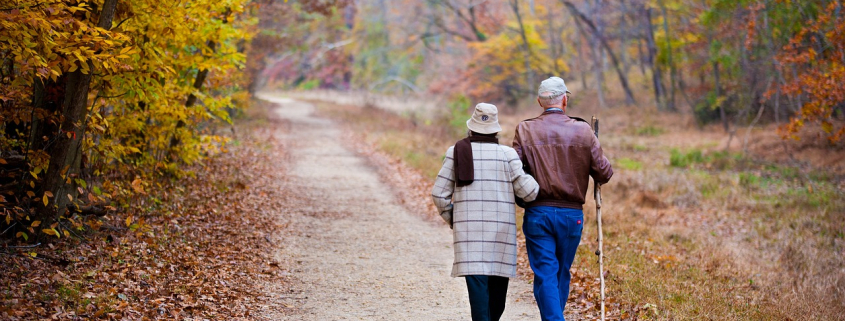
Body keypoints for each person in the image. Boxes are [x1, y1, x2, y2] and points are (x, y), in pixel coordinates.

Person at [512, 77, 613, 321]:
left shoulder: (525, 129)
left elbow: (513, 169)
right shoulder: (583, 130)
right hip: (571, 216)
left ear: (539, 102)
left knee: (547, 273)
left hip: (538, 213)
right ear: (565, 100)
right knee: (559, 272)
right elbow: (604, 172)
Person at [431, 103, 540, 321]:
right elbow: (529, 193)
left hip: (469, 236)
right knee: (497, 298)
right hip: (500, 235)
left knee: (478, 296)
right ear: (496, 130)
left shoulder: (456, 152)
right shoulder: (507, 155)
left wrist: (455, 219)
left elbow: (439, 194)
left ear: (471, 128)